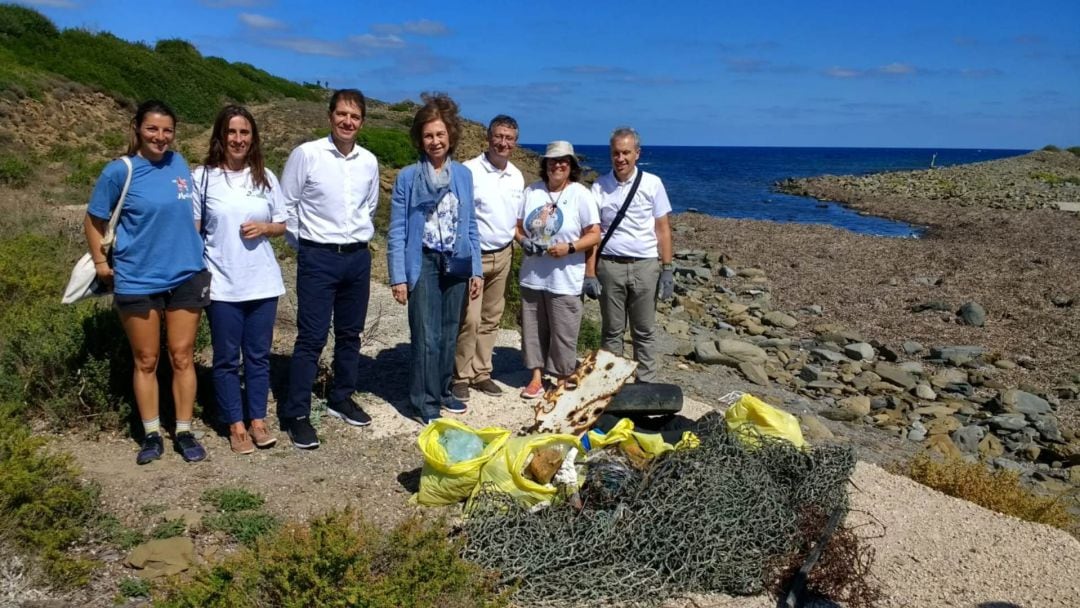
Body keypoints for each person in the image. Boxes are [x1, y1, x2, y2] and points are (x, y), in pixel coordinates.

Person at [84, 99, 210, 464]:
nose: (160, 136)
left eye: (167, 130)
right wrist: (99, 261)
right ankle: (152, 433)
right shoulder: (119, 171)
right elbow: (93, 220)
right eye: (153, 129)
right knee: (146, 359)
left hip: (186, 273)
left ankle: (184, 430)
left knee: (183, 356)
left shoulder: (180, 163)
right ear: (138, 128)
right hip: (138, 277)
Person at [280, 89, 380, 449]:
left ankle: (341, 397)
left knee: (351, 334)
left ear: (362, 121)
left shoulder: (369, 161)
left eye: (354, 116)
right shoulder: (306, 155)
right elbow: (285, 204)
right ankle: (296, 414)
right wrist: (304, 246)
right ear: (330, 116)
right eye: (341, 114)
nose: (347, 121)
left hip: (357, 257)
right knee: (312, 338)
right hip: (318, 257)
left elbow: (369, 207)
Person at [192, 105, 285, 454]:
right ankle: (235, 425)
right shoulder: (203, 177)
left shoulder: (265, 177)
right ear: (220, 135)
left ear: (253, 138)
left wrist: (265, 227)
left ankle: (258, 420)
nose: (238, 139)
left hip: (262, 282)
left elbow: (282, 224)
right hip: (222, 283)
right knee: (227, 358)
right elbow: (194, 229)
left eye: (244, 133)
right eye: (232, 132)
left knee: (259, 356)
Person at [388, 93, 482, 424]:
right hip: (424, 261)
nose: (435, 141)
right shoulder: (408, 178)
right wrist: (398, 276)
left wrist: (477, 270)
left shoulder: (464, 176)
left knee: (448, 331)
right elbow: (397, 230)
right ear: (420, 138)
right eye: (428, 135)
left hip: (456, 261)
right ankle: (424, 402)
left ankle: (443, 391)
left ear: (450, 135)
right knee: (426, 335)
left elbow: (471, 224)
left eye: (440, 134)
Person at [584, 127, 674, 383]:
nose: (620, 158)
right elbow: (594, 231)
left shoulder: (652, 183)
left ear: (637, 153)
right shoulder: (600, 186)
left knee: (644, 331)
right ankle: (611, 384)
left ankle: (646, 383)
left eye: (626, 152)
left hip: (645, 266)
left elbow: (663, 228)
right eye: (615, 153)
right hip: (610, 266)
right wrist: (590, 273)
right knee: (612, 331)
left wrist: (667, 269)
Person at [517, 141, 600, 399]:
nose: (558, 164)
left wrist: (571, 248)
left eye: (564, 160)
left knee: (564, 332)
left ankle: (563, 377)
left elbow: (595, 234)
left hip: (565, 278)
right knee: (533, 330)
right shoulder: (532, 191)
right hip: (532, 276)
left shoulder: (581, 194)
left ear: (572, 165)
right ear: (545, 164)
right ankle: (536, 378)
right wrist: (523, 242)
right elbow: (518, 227)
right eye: (553, 160)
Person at [451, 115, 524, 402]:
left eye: (509, 138)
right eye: (499, 136)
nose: (503, 142)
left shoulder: (517, 176)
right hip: (474, 256)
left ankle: (482, 372)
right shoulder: (469, 171)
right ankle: (460, 376)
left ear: (515, 142)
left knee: (492, 317)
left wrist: (530, 243)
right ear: (488, 137)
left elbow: (515, 222)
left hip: (504, 254)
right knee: (469, 319)